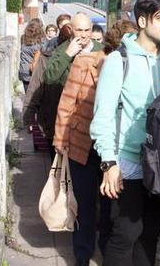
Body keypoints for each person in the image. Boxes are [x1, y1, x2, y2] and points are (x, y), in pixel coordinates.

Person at [90, 0, 160, 266]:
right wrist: (109, 163)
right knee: (126, 234)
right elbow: (102, 116)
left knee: (150, 235)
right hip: (127, 162)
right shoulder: (119, 60)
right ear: (142, 20)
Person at [53, 29, 107, 266]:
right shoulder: (84, 63)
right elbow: (66, 103)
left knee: (108, 206)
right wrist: (59, 140)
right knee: (84, 203)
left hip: (111, 149)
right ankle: (83, 254)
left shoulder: (130, 67)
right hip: (81, 143)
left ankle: (107, 249)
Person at [22, 23, 74, 159]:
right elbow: (35, 87)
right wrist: (28, 117)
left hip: (74, 123)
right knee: (56, 162)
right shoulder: (47, 57)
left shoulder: (85, 56)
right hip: (52, 119)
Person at [43, 13, 104, 87]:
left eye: (87, 30)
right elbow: (48, 78)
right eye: (79, 30)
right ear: (71, 29)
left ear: (91, 28)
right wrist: (67, 55)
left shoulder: (101, 49)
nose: (84, 35)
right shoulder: (61, 50)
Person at [18, 18, 45, 93]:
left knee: (28, 96)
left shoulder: (23, 38)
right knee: (35, 99)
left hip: (23, 71)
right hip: (35, 73)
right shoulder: (41, 41)